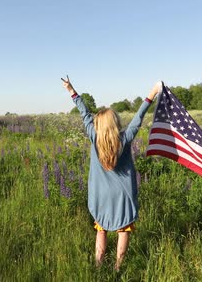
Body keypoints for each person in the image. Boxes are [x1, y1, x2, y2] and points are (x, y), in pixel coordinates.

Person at [61, 76, 161, 270]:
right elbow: (138, 118)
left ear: (99, 125)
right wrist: (152, 93)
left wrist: (71, 90)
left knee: (102, 229)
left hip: (101, 194)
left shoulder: (93, 136)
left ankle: (98, 266)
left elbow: (85, 114)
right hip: (122, 194)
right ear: (115, 123)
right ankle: (118, 267)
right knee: (123, 230)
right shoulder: (125, 138)